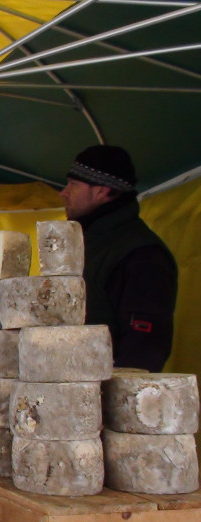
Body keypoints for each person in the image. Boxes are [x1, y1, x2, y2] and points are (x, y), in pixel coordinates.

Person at [60, 145, 178, 372]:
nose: (64, 192)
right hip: (72, 387)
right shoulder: (85, 243)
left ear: (101, 191)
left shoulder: (142, 254)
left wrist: (109, 402)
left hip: (101, 397)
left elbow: (144, 349)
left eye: (73, 184)